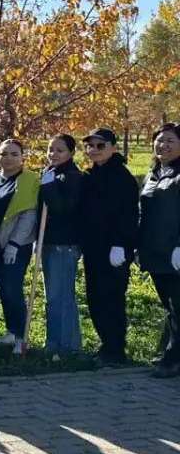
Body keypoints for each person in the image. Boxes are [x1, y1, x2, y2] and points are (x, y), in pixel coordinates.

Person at [80, 128, 138, 366]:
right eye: (89, 146)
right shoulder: (90, 175)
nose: (93, 150)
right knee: (95, 298)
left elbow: (128, 214)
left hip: (114, 249)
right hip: (93, 248)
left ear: (113, 147)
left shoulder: (122, 177)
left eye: (100, 146)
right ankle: (106, 344)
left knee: (112, 298)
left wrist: (121, 244)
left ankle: (116, 350)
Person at [138, 123, 180, 378]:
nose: (163, 145)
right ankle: (169, 351)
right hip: (155, 252)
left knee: (178, 308)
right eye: (159, 140)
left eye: (170, 141)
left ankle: (173, 360)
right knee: (170, 306)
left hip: (174, 252)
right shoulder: (154, 172)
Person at [39, 134, 84, 356]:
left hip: (64, 245)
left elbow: (63, 209)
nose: (53, 154)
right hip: (49, 243)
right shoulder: (50, 174)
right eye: (50, 149)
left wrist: (48, 188)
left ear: (71, 153)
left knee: (62, 297)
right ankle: (54, 342)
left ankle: (68, 345)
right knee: (52, 297)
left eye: (59, 150)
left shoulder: (74, 177)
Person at [0, 139, 38, 350]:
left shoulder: (29, 180)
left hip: (16, 245)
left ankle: (21, 335)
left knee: (12, 288)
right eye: (4, 153)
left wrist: (14, 243)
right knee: (3, 288)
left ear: (22, 157)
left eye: (13, 154)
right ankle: (11, 331)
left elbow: (28, 215)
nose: (8, 158)